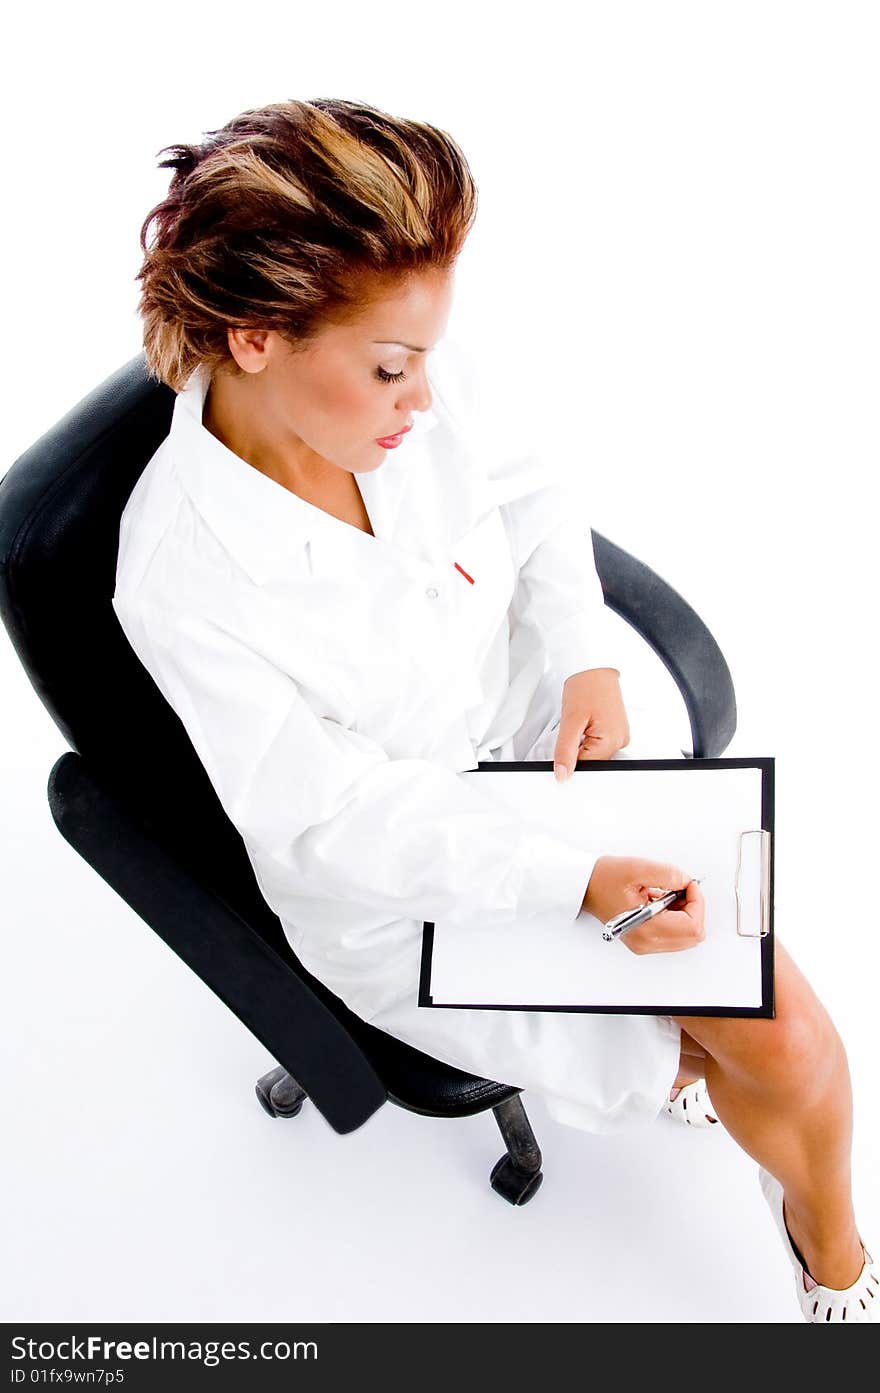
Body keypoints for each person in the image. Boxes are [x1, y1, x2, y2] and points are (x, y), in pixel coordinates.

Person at [112, 96, 876, 1323]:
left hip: (534, 757)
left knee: (775, 1030)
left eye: (426, 355)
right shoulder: (183, 579)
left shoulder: (403, 376)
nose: (425, 396)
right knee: (772, 1035)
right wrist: (565, 880)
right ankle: (834, 1267)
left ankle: (821, 1236)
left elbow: (527, 485)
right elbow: (332, 825)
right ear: (255, 338)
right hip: (407, 889)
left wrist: (580, 652)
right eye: (391, 367)